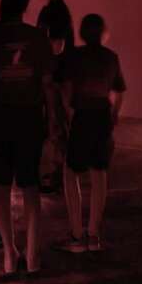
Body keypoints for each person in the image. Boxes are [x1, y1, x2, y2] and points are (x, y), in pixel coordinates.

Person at [0, 0, 55, 276]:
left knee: (0, 188)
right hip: (29, 119)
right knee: (30, 187)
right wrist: (52, 122)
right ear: (24, 7)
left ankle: (9, 253)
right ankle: (33, 257)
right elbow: (47, 85)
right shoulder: (37, 38)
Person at [56, 13, 125, 253]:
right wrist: (114, 114)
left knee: (70, 171)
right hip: (102, 117)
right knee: (99, 173)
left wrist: (68, 112)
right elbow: (119, 90)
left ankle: (76, 233)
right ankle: (94, 234)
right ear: (102, 32)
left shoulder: (76, 56)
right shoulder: (111, 58)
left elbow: (65, 87)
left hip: (82, 116)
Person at [35, 0, 73, 193]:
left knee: (55, 122)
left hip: (56, 75)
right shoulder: (53, 9)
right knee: (54, 121)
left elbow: (57, 45)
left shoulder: (56, 10)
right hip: (55, 73)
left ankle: (60, 170)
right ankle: (59, 169)